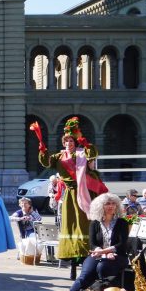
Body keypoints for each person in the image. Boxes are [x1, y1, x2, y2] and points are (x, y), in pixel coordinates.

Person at [36, 117, 107, 278]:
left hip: (85, 193)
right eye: (66, 141)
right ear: (63, 143)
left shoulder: (82, 154)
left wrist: (85, 142)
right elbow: (46, 162)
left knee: (84, 225)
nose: (69, 143)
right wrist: (42, 149)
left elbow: (93, 153)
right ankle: (73, 264)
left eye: (71, 141)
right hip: (69, 196)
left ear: (75, 143)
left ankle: (86, 261)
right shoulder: (59, 157)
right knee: (70, 226)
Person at [58, 193, 130, 291]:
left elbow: (122, 244)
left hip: (118, 255)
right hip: (98, 254)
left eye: (113, 204)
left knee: (102, 267)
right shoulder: (95, 223)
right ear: (101, 206)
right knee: (85, 274)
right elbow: (92, 243)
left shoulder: (122, 223)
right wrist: (102, 252)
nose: (111, 206)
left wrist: (105, 251)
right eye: (107, 204)